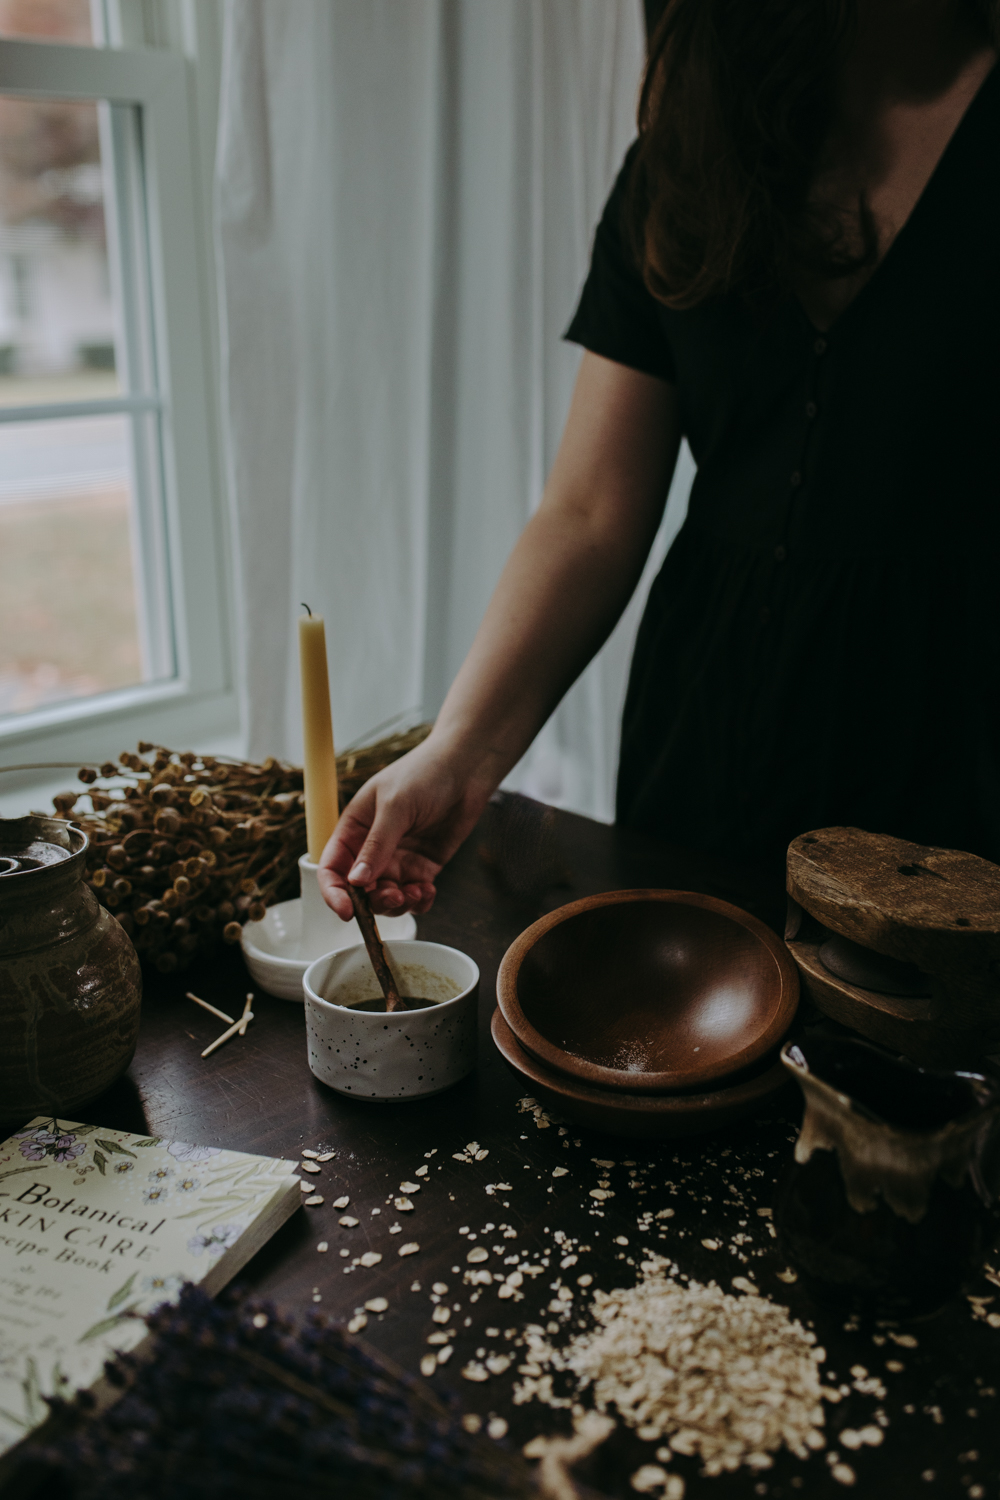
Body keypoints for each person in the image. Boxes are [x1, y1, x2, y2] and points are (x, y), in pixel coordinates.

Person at [319, 0, 1000, 923]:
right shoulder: (689, 160)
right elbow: (589, 512)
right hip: (707, 738)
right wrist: (459, 752)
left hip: (954, 741)